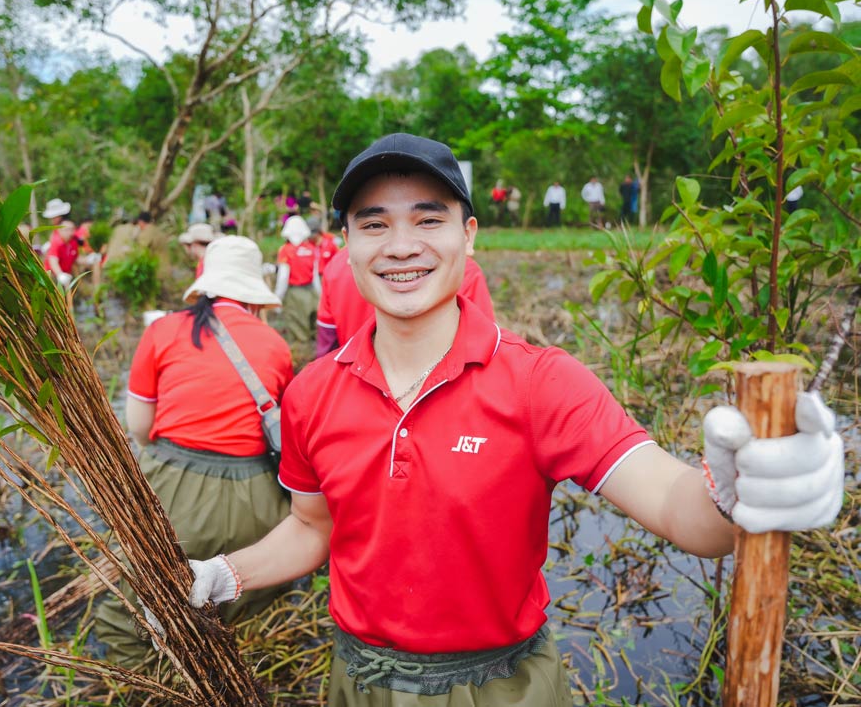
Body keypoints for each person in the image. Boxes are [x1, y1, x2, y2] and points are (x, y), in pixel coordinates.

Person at [172, 133, 843, 706]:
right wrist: (228, 572)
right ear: (345, 243)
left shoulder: (541, 382)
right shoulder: (313, 392)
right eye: (374, 223)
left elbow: (674, 504)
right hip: (358, 681)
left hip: (501, 686)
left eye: (428, 220)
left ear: (469, 234)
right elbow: (312, 527)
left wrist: (734, 495)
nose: (400, 245)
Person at [96, 235, 293, 666]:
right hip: (256, 501)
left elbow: (141, 429)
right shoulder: (275, 345)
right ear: (253, 296)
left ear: (203, 285)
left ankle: (158, 683)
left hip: (171, 492)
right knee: (235, 604)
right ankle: (225, 668)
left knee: (134, 607)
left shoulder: (163, 330)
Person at [316, 247, 495, 358]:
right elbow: (485, 350)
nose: (401, 249)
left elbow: (328, 347)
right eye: (374, 225)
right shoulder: (460, 270)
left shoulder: (335, 267)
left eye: (428, 221)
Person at [275, 216, 319, 344]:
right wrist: (319, 295)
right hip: (311, 292)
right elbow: (315, 276)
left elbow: (283, 277)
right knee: (313, 327)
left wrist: (278, 297)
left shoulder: (285, 250)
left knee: (298, 329)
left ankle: (302, 357)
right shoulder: (311, 249)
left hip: (295, 294)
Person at [42, 218, 80, 288]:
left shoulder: (73, 242)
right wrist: (60, 274)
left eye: (72, 229)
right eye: (67, 230)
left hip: (67, 274)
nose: (70, 232)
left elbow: (76, 259)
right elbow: (53, 261)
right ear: (59, 231)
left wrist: (88, 259)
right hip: (53, 274)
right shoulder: (56, 242)